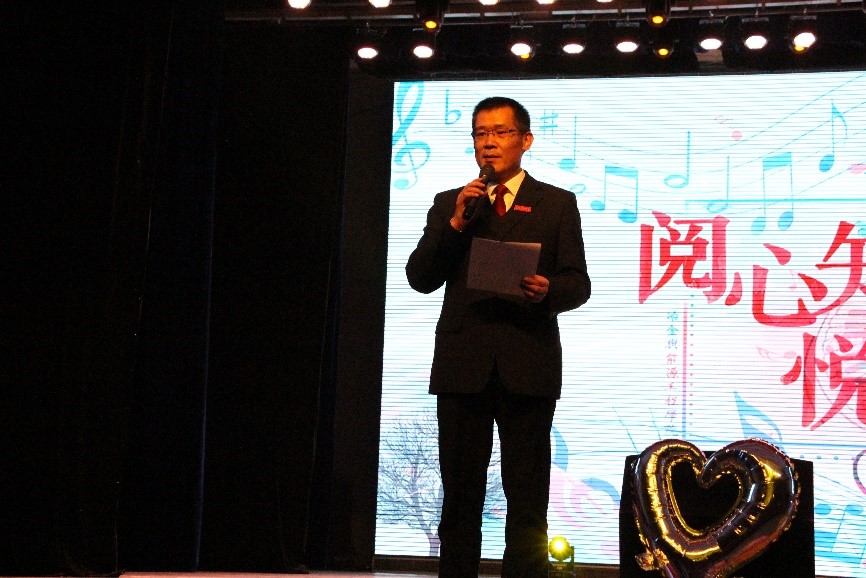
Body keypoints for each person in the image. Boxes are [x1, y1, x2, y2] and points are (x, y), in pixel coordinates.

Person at [405, 96, 591, 578]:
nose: (489, 142)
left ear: (525, 140)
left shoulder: (556, 203)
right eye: (480, 133)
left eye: (501, 132)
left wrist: (549, 290)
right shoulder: (451, 203)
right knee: (460, 497)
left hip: (527, 362)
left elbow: (578, 283)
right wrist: (456, 223)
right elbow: (420, 277)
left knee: (527, 497)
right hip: (463, 364)